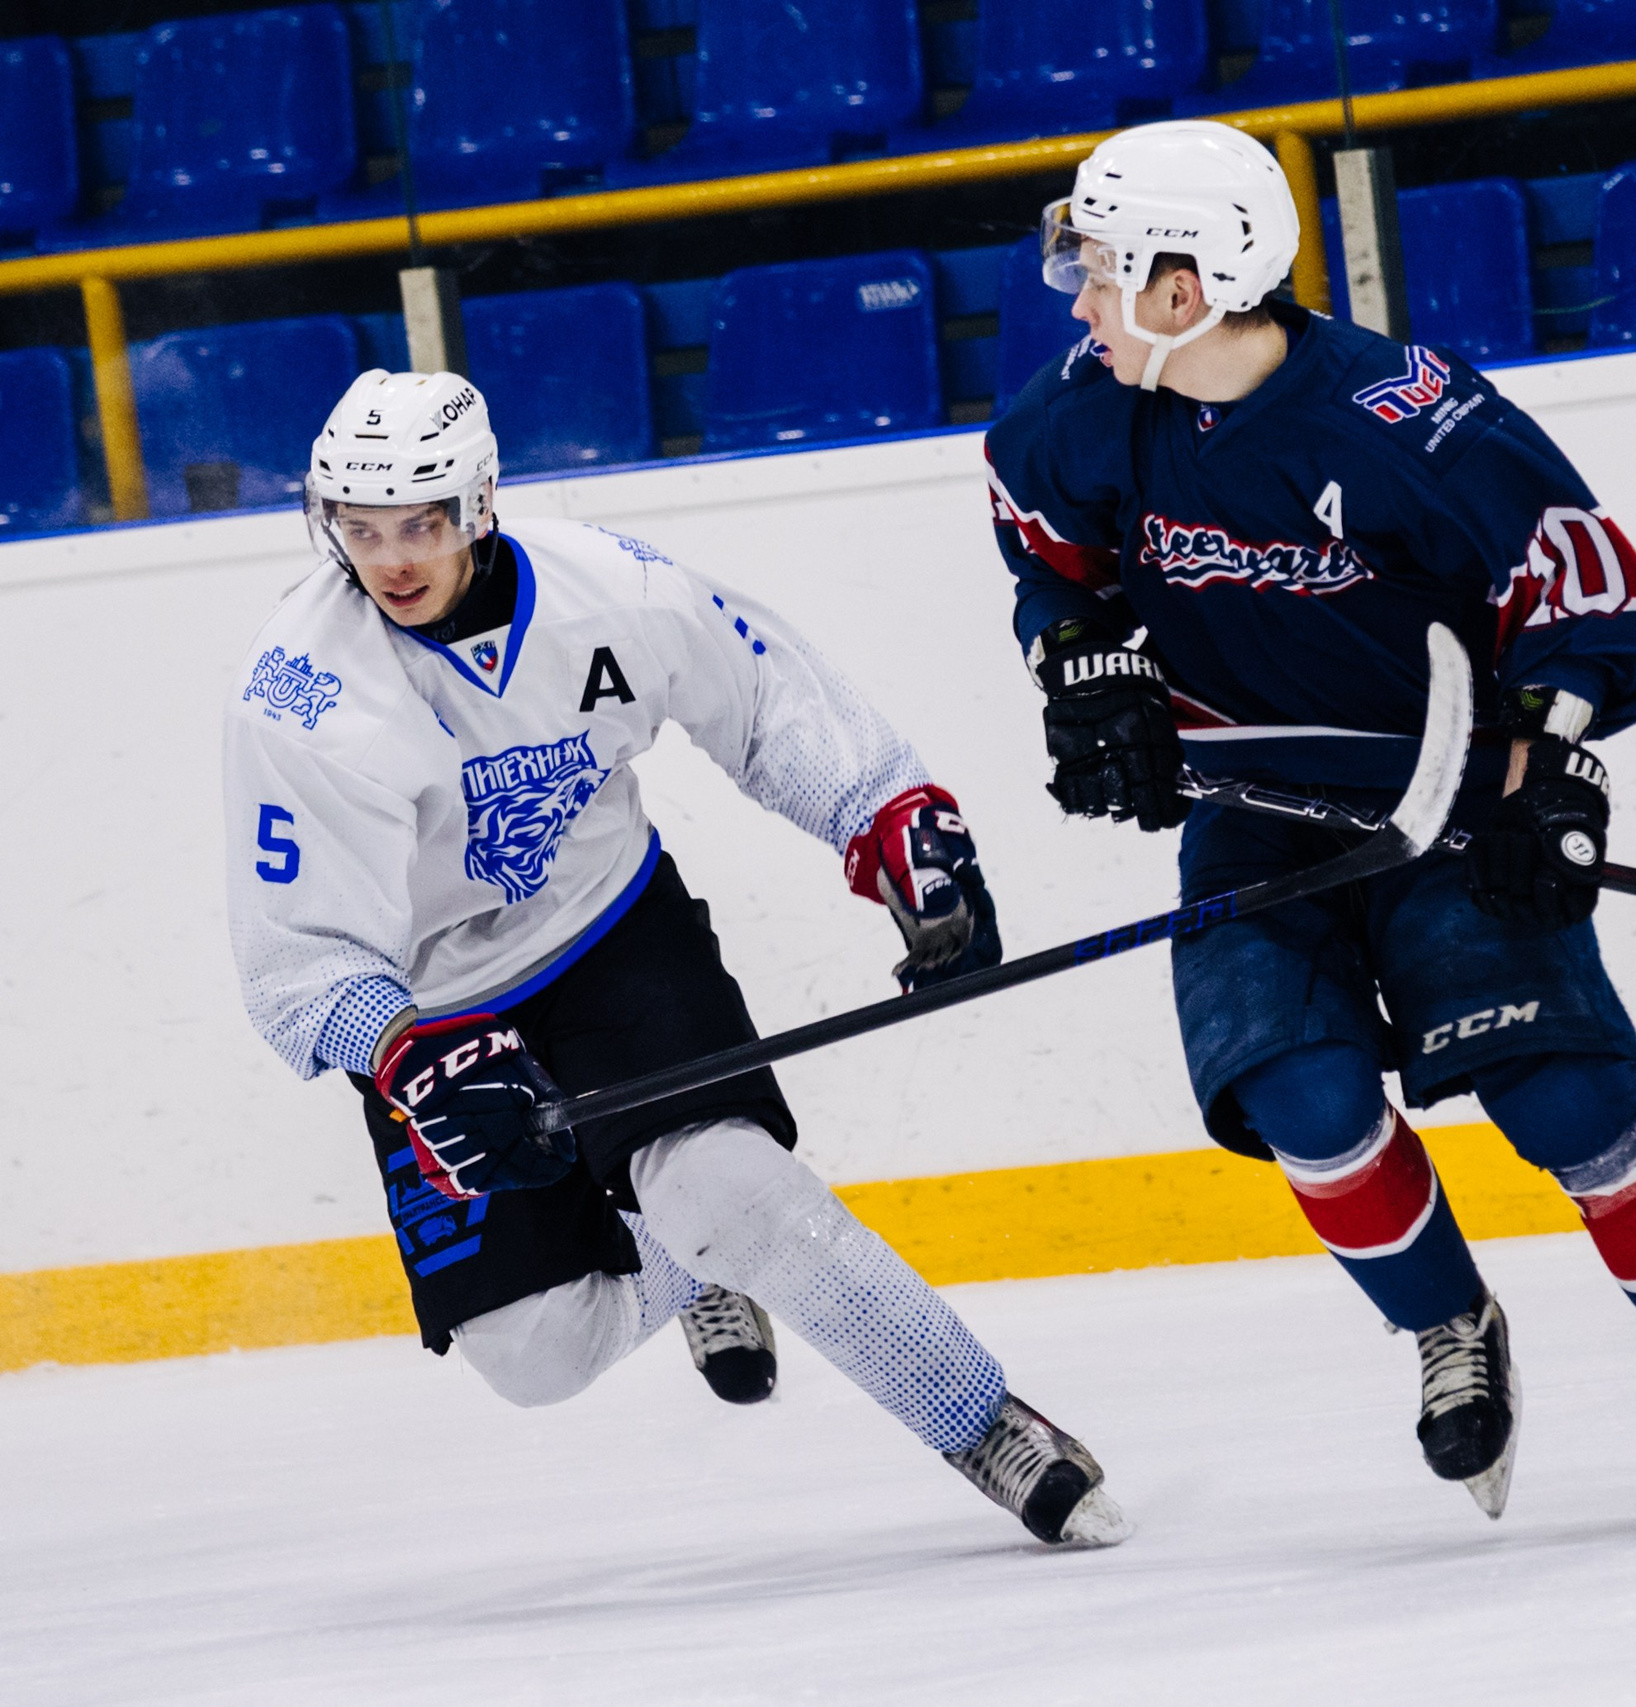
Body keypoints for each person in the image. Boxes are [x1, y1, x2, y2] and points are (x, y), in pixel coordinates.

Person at [986, 121, 1636, 1519]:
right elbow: (1052, 560)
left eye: (1098, 266)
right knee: (1301, 1097)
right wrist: (1084, 668)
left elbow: (1586, 597)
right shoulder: (1078, 414)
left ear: (1183, 287)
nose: (1073, 295)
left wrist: (1558, 762)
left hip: (1447, 797)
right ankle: (1451, 1326)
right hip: (1255, 814)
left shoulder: (1411, 418)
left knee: (1566, 1095)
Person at [225, 369, 1128, 1548]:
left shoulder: (614, 592)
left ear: (480, 504)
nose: (390, 560)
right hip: (435, 1017)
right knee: (535, 1354)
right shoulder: (300, 699)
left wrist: (893, 826)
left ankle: (980, 1421)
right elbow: (294, 963)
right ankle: (689, 1261)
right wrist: (404, 1055)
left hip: (608, 937)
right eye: (360, 529)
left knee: (729, 1187)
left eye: (420, 525)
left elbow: (768, 706)